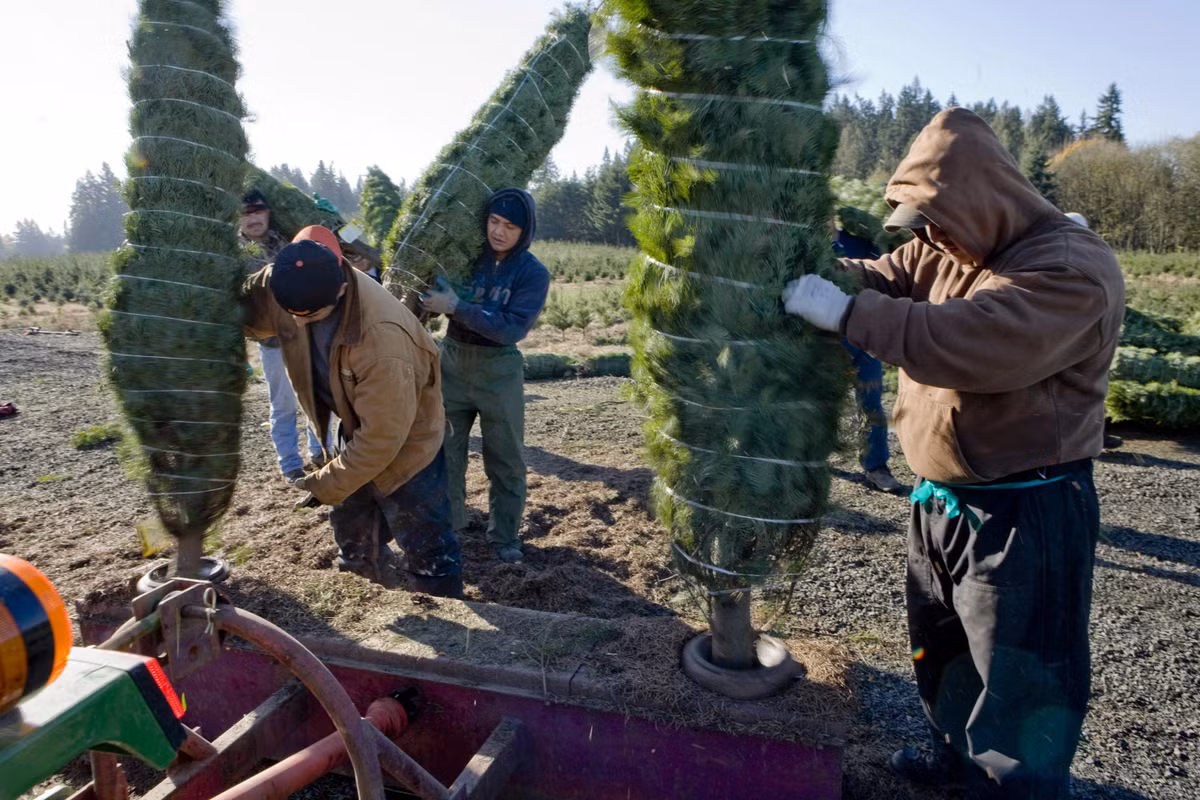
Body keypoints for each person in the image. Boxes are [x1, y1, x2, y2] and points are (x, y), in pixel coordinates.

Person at [782, 108, 1124, 798]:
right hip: (941, 501)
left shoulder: (1068, 267)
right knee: (944, 652)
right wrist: (805, 271)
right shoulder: (944, 247)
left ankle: (1014, 789)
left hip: (1024, 509)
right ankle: (954, 762)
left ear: (983, 199)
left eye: (937, 220)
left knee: (1021, 677)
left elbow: (977, 341)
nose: (929, 238)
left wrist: (850, 317)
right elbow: (879, 275)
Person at [243, 225, 463, 597]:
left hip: (408, 441)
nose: (296, 323)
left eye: (309, 316)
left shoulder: (382, 339)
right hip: (355, 425)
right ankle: (366, 590)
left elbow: (381, 439)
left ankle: (447, 613)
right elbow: (243, 306)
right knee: (353, 532)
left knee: (425, 542)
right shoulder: (288, 278)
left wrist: (325, 483)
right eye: (289, 314)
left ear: (343, 289)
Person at [419, 189, 550, 564]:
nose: (499, 231)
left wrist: (458, 306)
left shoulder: (532, 273)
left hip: (499, 370)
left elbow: (510, 328)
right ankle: (452, 525)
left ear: (524, 231)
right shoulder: (467, 259)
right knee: (445, 450)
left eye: (510, 226)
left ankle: (505, 537)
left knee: (505, 457)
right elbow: (434, 291)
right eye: (494, 222)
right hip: (453, 362)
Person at [238, 189, 325, 480]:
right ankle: (290, 464)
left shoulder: (288, 242)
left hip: (305, 333)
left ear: (268, 212)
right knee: (283, 403)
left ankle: (320, 452)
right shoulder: (233, 257)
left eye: (258, 210)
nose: (253, 217)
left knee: (317, 394)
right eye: (246, 213)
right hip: (272, 342)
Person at [832, 209, 904, 495]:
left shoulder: (860, 243)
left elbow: (888, 274)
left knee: (871, 405)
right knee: (813, 406)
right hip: (820, 341)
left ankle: (876, 467)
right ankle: (808, 463)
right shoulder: (806, 245)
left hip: (862, 339)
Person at [1064, 211, 1123, 450]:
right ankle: (1089, 437)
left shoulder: (1086, 256)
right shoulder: (1063, 256)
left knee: (1089, 384)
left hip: (1088, 331)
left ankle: (1095, 434)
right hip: (1073, 335)